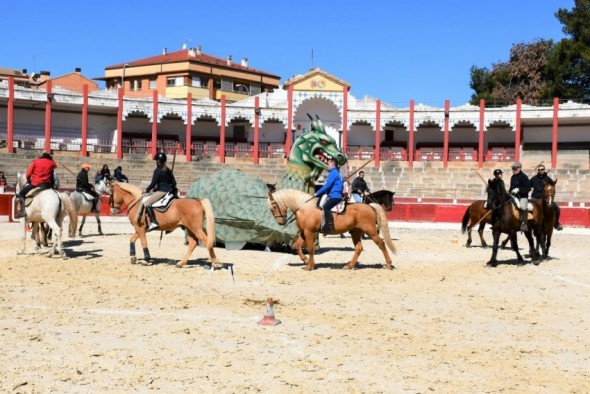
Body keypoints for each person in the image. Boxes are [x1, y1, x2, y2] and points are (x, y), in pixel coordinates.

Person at [142, 152, 177, 232]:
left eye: (156, 160)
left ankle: (154, 222)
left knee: (146, 203)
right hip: (170, 192)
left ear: (158, 161)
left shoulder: (157, 170)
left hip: (162, 191)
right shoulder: (168, 170)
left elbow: (153, 184)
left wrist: (146, 190)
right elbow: (174, 183)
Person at [16, 152, 57, 218]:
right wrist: (51, 160)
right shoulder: (51, 162)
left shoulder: (35, 162)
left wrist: (29, 181)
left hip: (36, 184)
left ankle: (22, 211)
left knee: (21, 193)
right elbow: (55, 166)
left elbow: (28, 174)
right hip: (47, 185)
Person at [530, 165, 563, 231]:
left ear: (544, 170)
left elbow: (553, 186)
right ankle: (527, 223)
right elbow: (528, 186)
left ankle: (556, 223)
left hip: (546, 199)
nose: (540, 171)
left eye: (542, 169)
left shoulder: (548, 179)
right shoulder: (534, 179)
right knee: (527, 208)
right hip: (535, 198)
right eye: (539, 170)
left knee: (557, 208)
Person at [314, 158, 343, 232]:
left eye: (328, 164)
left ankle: (330, 225)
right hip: (335, 194)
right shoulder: (338, 173)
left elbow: (327, 185)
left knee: (325, 207)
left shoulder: (333, 173)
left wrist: (317, 193)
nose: (328, 165)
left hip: (335, 196)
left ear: (333, 164)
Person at [509, 162, 531, 232]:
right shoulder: (513, 177)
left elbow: (528, 188)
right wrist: (509, 192)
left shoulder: (524, 177)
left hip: (522, 197)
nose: (513, 170)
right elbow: (511, 187)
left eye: (514, 169)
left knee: (522, 207)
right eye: (512, 169)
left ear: (519, 169)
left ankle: (524, 224)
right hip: (513, 196)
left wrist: (519, 189)